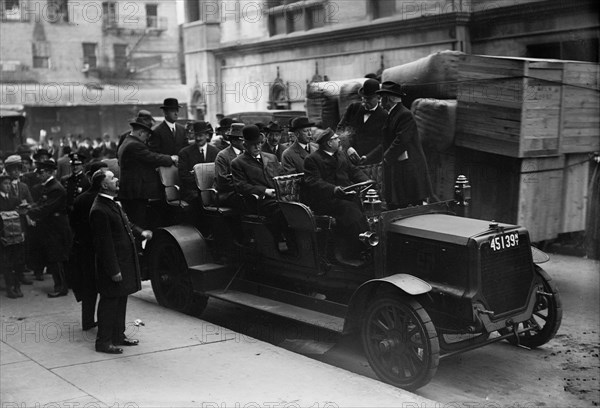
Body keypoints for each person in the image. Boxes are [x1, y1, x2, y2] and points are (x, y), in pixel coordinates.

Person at [89, 168, 152, 354]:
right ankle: (103, 342)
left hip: (123, 262)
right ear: (103, 184)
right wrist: (113, 270)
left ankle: (118, 335)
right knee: (109, 302)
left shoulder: (112, 204)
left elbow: (126, 224)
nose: (116, 179)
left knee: (120, 299)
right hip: (114, 265)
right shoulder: (99, 209)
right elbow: (104, 245)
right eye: (112, 178)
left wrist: (141, 233)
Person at [303, 128, 371, 264]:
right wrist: (334, 190)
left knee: (363, 209)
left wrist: (366, 181)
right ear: (329, 143)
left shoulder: (341, 155)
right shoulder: (313, 159)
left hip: (346, 196)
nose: (339, 140)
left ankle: (367, 245)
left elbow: (354, 171)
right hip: (326, 199)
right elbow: (314, 182)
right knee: (350, 211)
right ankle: (355, 251)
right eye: (335, 138)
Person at [377, 81, 434, 208]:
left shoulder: (404, 114)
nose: (380, 101)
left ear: (390, 98)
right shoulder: (392, 113)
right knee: (400, 201)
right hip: (399, 165)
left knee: (409, 203)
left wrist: (386, 157)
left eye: (382, 97)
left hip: (408, 167)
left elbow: (402, 140)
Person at [117, 116, 177, 229]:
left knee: (135, 224)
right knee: (139, 224)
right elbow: (152, 157)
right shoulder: (135, 145)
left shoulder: (126, 141)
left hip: (130, 191)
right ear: (140, 133)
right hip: (135, 193)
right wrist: (171, 158)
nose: (148, 138)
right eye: (147, 135)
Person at [70, 162, 108, 331]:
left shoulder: (80, 199)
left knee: (88, 287)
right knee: (105, 286)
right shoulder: (103, 201)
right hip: (99, 249)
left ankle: (87, 320)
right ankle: (104, 321)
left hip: (83, 248)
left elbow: (73, 223)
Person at [27, 159, 73, 297]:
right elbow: (42, 203)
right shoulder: (49, 186)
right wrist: (31, 207)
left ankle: (61, 287)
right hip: (52, 227)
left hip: (56, 228)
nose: (38, 175)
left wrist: (29, 211)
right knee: (53, 256)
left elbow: (47, 208)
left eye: (41, 172)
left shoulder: (55, 188)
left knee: (57, 257)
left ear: (48, 172)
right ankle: (60, 284)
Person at [337, 78, 388, 165]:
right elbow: (340, 128)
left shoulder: (385, 116)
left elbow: (384, 143)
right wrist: (348, 147)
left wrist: (368, 157)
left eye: (368, 99)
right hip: (347, 160)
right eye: (363, 98)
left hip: (370, 163)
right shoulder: (353, 108)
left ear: (378, 97)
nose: (364, 102)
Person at [4, 155, 34, 285]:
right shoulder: (4, 185)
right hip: (8, 222)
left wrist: (27, 208)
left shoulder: (24, 186)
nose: (16, 172)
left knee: (21, 247)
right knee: (10, 249)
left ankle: (20, 273)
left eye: (18, 169)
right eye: (13, 170)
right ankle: (11, 277)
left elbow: (31, 202)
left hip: (21, 220)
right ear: (8, 171)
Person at [177, 121, 219, 202]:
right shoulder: (185, 153)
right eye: (196, 135)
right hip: (191, 190)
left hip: (210, 189)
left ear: (207, 136)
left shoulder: (216, 152)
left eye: (200, 136)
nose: (198, 139)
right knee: (198, 198)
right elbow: (183, 176)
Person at [0, 172, 27, 298]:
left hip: (16, 236)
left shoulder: (14, 199)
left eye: (9, 184)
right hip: (3, 237)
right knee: (6, 263)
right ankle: (9, 287)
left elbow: (22, 215)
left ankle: (17, 286)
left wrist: (22, 232)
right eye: (5, 184)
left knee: (18, 261)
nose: (8, 186)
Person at [214, 123, 245, 208]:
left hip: (242, 191)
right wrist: (244, 183)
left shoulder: (246, 154)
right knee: (246, 200)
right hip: (226, 194)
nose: (246, 142)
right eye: (243, 139)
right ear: (233, 141)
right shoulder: (223, 156)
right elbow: (222, 180)